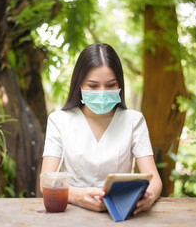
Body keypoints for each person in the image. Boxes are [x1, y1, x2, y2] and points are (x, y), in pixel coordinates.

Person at [40, 43, 162, 214]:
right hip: (72, 214)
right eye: (93, 86)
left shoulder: (134, 121)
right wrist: (77, 196)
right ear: (79, 85)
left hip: (123, 212)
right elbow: (46, 182)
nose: (102, 92)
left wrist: (149, 196)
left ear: (119, 84)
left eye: (111, 85)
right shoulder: (59, 121)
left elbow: (154, 179)